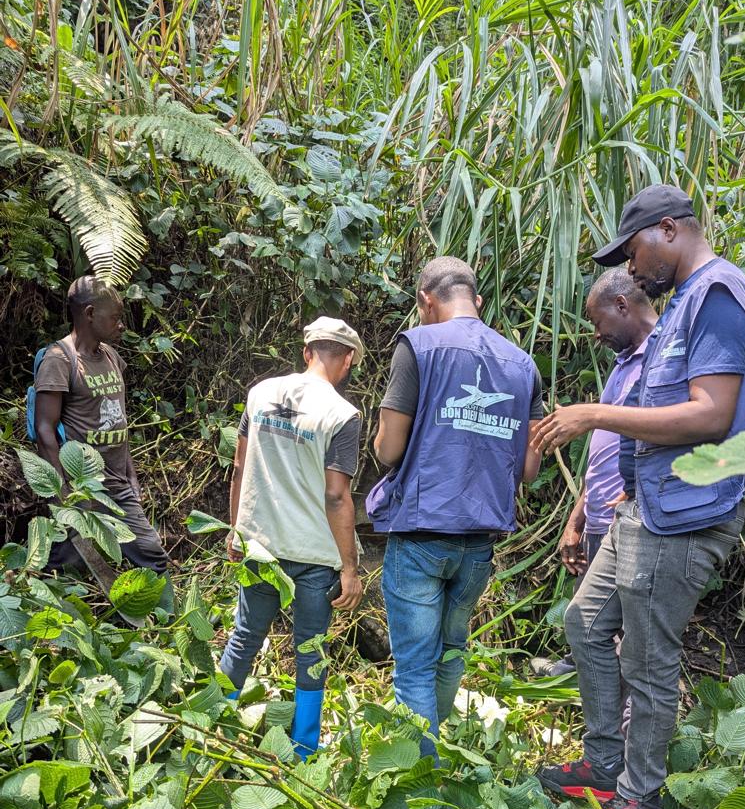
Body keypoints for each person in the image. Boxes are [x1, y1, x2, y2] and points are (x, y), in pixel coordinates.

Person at [530, 184, 745, 809]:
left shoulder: (718, 294)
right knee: (585, 624)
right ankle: (603, 762)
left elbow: (711, 412)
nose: (632, 269)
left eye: (634, 251)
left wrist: (592, 415)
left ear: (667, 230)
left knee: (646, 660)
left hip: (685, 513)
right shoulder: (682, 304)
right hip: (645, 505)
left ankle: (638, 806)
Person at [367, 257, 544, 758]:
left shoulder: (417, 346)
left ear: (426, 300)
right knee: (451, 653)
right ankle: (438, 747)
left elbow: (387, 449)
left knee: (415, 669)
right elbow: (529, 471)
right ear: (477, 301)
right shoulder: (521, 363)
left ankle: (422, 777)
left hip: (423, 536)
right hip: (479, 544)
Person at [221, 317, 365, 758]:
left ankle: (212, 725)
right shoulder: (342, 415)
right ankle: (304, 749)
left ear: (307, 352)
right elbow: (337, 496)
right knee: (311, 649)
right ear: (350, 359)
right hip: (313, 553)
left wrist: (235, 530)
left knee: (245, 634)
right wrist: (350, 566)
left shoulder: (260, 394)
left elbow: (240, 467)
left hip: (259, 543)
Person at [530, 269, 656, 680]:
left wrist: (636, 495)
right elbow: (603, 455)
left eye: (598, 322)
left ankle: (622, 725)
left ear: (622, 305)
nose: (596, 335)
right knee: (592, 622)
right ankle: (584, 684)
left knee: (625, 633)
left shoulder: (661, 356)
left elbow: (663, 435)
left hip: (634, 520)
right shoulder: (623, 364)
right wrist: (575, 520)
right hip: (600, 518)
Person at [34, 276, 173, 608]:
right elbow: (44, 430)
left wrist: (132, 476)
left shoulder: (111, 356)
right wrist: (63, 492)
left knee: (152, 555)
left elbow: (121, 423)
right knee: (66, 566)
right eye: (114, 317)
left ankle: (169, 626)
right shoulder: (60, 359)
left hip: (118, 485)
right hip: (81, 487)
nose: (120, 324)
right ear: (90, 313)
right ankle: (57, 637)